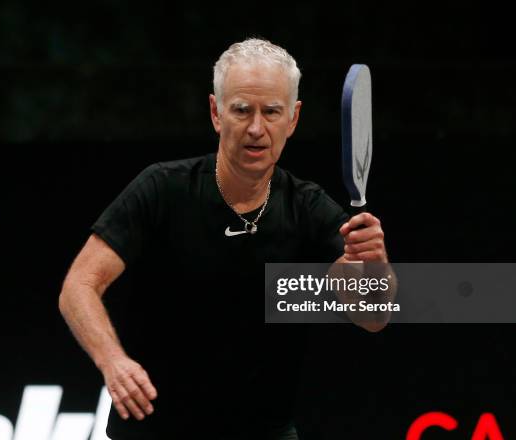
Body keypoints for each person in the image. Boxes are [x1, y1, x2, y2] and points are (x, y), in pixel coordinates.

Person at [58, 38, 390, 440]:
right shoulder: (162, 189)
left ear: (293, 119)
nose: (256, 128)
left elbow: (372, 316)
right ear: (216, 112)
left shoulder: (309, 209)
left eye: (271, 112)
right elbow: (79, 286)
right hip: (155, 431)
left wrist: (372, 265)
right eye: (241, 110)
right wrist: (112, 361)